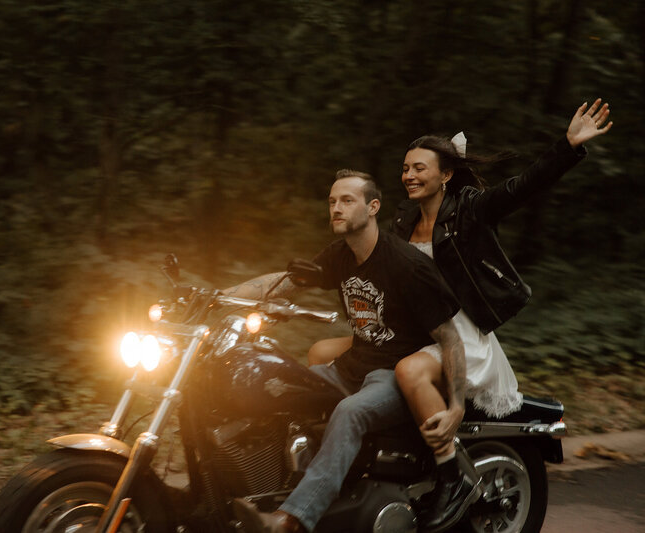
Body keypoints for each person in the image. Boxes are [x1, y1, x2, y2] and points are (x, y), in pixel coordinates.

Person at [306, 99, 613, 530]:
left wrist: (568, 146)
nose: (409, 175)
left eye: (420, 168)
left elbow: (521, 187)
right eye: (405, 168)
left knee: (411, 371)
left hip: (458, 331)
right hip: (413, 328)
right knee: (321, 351)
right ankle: (344, 452)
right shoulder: (402, 221)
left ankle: (451, 474)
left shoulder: (470, 210)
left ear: (445, 175)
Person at [225, 170, 476, 533]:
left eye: (346, 200)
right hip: (352, 366)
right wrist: (219, 296)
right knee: (281, 387)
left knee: (348, 412)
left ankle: (290, 520)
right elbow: (286, 282)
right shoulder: (341, 254)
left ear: (373, 207)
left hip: (394, 375)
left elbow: (450, 338)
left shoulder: (406, 265)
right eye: (332, 201)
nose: (336, 208)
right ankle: (266, 489)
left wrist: (456, 407)